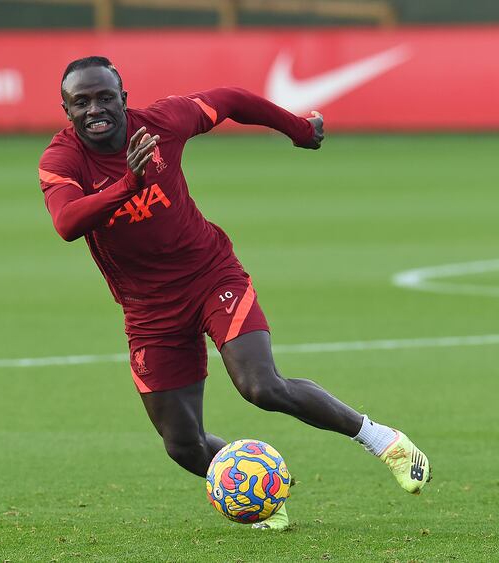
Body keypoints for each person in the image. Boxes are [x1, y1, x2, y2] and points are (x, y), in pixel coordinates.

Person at [37, 56, 430, 530]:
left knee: (261, 386)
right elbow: (66, 223)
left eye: (104, 97)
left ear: (123, 98)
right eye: (81, 101)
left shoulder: (161, 123)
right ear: (66, 109)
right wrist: (128, 183)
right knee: (183, 445)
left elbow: (229, 100)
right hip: (148, 310)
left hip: (210, 276)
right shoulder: (62, 160)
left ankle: (383, 440)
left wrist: (298, 130)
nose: (94, 108)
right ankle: (262, 495)